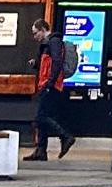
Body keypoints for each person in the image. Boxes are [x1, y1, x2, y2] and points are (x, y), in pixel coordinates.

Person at [25, 17, 77, 162]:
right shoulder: (47, 44)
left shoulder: (53, 42)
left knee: (40, 117)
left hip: (50, 85)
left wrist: (50, 82)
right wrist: (36, 64)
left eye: (36, 33)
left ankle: (65, 136)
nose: (34, 37)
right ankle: (41, 151)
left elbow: (56, 63)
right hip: (46, 84)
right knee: (42, 118)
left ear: (43, 30)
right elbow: (47, 64)